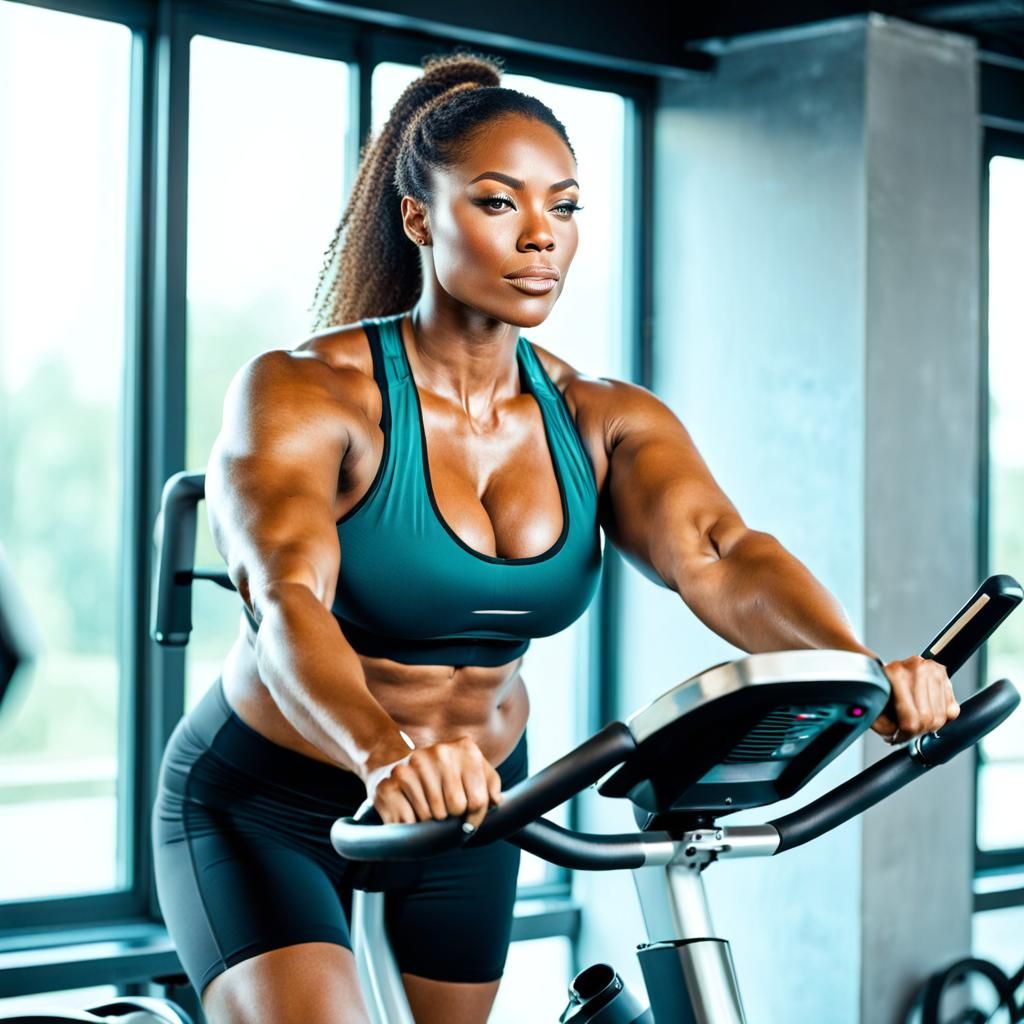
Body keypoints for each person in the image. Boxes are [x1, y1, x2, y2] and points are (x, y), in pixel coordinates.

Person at [151, 49, 960, 1024]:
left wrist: (859, 669)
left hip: (474, 805)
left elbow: (718, 552)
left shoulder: (599, 416)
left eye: (564, 207)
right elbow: (283, 598)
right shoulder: (306, 391)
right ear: (419, 218)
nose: (540, 237)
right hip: (269, 803)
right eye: (499, 204)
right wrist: (383, 754)